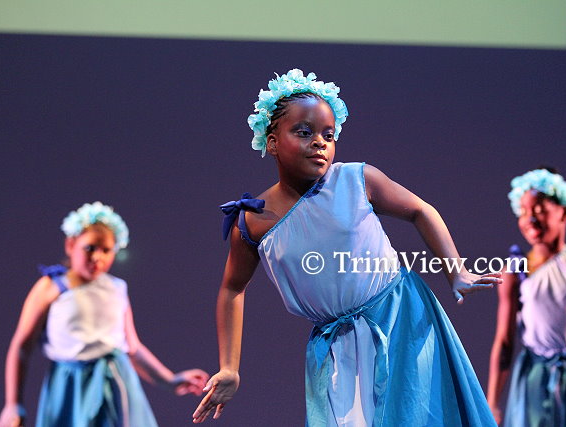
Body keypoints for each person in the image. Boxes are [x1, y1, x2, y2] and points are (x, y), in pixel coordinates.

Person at [192, 69, 500, 425]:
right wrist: (229, 367)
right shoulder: (254, 220)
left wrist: (456, 271)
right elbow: (232, 288)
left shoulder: (356, 179)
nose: (319, 142)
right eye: (304, 132)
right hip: (335, 344)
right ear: (272, 142)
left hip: (400, 319)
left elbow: (420, 210)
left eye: (328, 134)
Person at [0, 202, 209, 427]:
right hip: (69, 386)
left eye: (106, 250)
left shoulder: (116, 288)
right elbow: (21, 346)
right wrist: (13, 403)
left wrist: (170, 380)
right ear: (71, 245)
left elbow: (132, 348)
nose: (97, 257)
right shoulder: (50, 287)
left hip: (113, 382)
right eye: (90, 248)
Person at [487, 168, 566, 426]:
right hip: (534, 376)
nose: (530, 219)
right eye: (523, 211)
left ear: (564, 212)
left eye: (539, 210)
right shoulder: (516, 269)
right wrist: (491, 403)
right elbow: (504, 341)